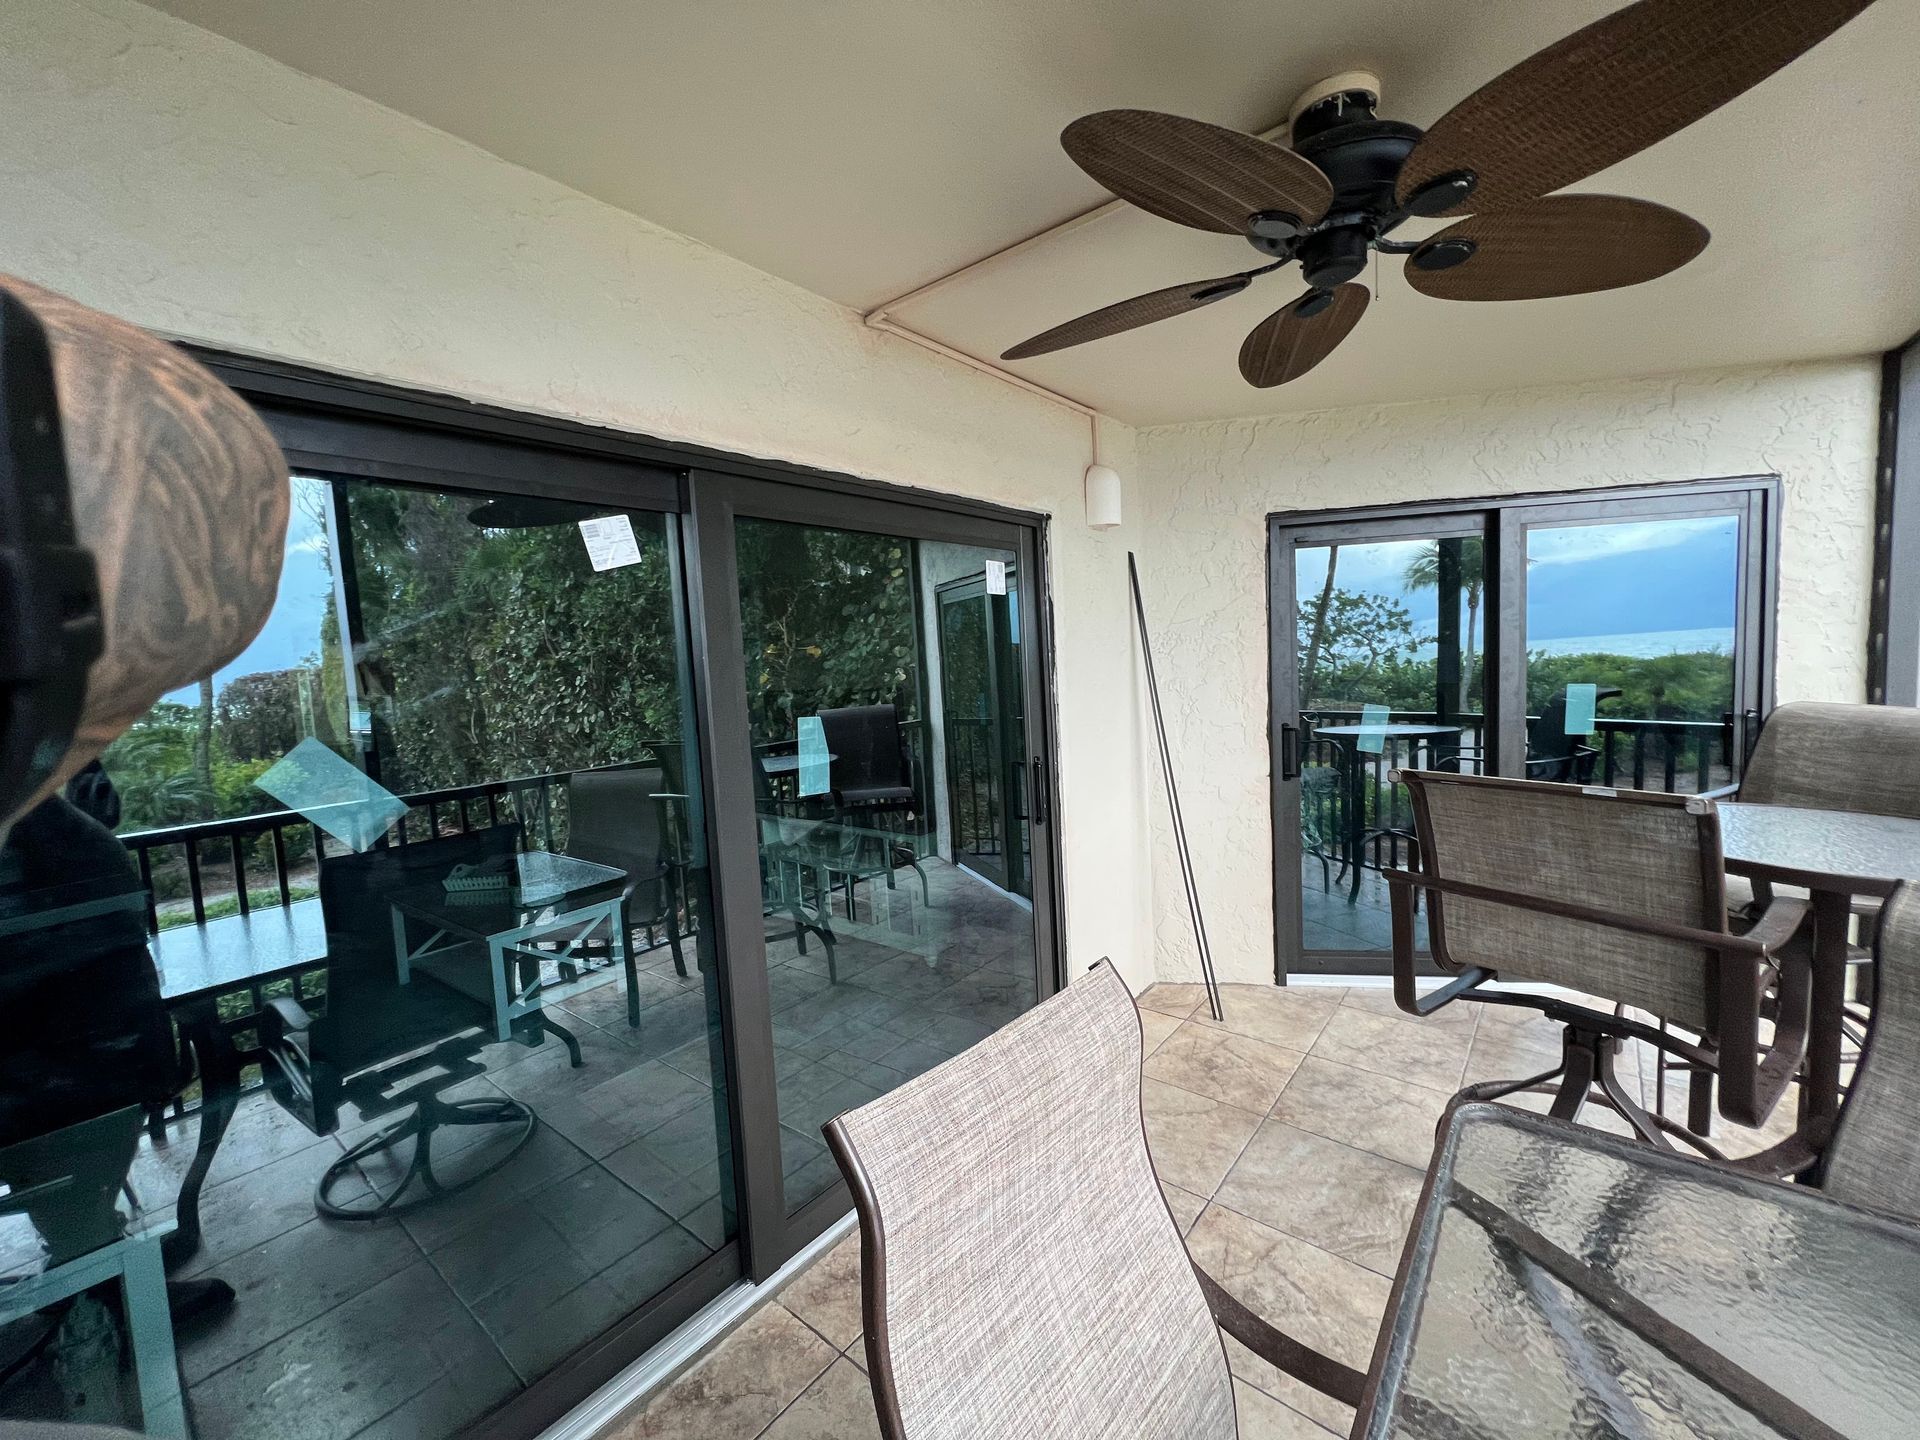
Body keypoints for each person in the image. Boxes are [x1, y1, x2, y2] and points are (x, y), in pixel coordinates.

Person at [0, 276, 288, 1425]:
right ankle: (94, 1299)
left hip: (77, 1058)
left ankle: (100, 1286)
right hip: (69, 1058)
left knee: (78, 1195)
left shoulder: (59, 833)